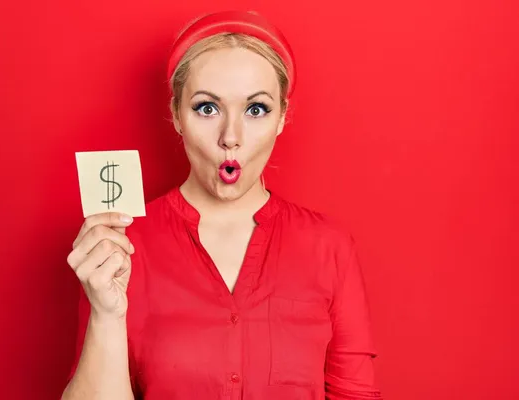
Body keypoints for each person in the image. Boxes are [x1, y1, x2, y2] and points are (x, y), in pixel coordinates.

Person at [61, 10, 382, 400]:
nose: (231, 136)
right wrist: (106, 315)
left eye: (256, 109)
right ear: (177, 115)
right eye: (207, 108)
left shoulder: (329, 246)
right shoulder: (121, 246)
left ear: (282, 117)